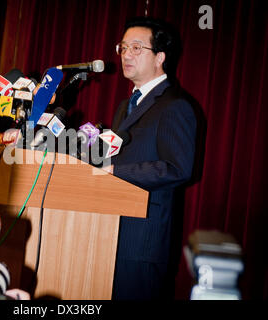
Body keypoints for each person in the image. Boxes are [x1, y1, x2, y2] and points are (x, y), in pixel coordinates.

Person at [106, 17, 197, 299]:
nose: (126, 55)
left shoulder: (175, 106)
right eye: (122, 47)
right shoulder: (126, 106)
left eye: (136, 48)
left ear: (160, 57)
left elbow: (176, 168)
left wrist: (114, 171)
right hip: (109, 233)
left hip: (142, 242)